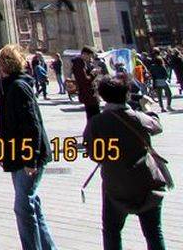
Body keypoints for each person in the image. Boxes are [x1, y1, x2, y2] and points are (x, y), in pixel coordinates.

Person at [84, 75, 168, 250]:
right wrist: (147, 109)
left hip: (115, 184)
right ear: (127, 94)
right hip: (146, 183)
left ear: (102, 96)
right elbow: (157, 127)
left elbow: (94, 155)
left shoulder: (96, 123)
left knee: (112, 232)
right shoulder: (138, 117)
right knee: (153, 232)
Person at [0, 45, 57, 250]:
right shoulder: (9, 86)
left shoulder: (18, 87)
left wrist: (31, 158)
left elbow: (32, 125)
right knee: (32, 206)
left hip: (28, 157)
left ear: (5, 64)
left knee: (23, 208)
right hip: (18, 155)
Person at [73, 47, 101, 121]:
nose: (90, 59)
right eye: (90, 56)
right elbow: (85, 80)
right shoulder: (79, 64)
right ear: (84, 54)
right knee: (94, 116)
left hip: (90, 94)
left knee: (94, 115)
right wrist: (93, 74)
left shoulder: (83, 63)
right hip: (88, 94)